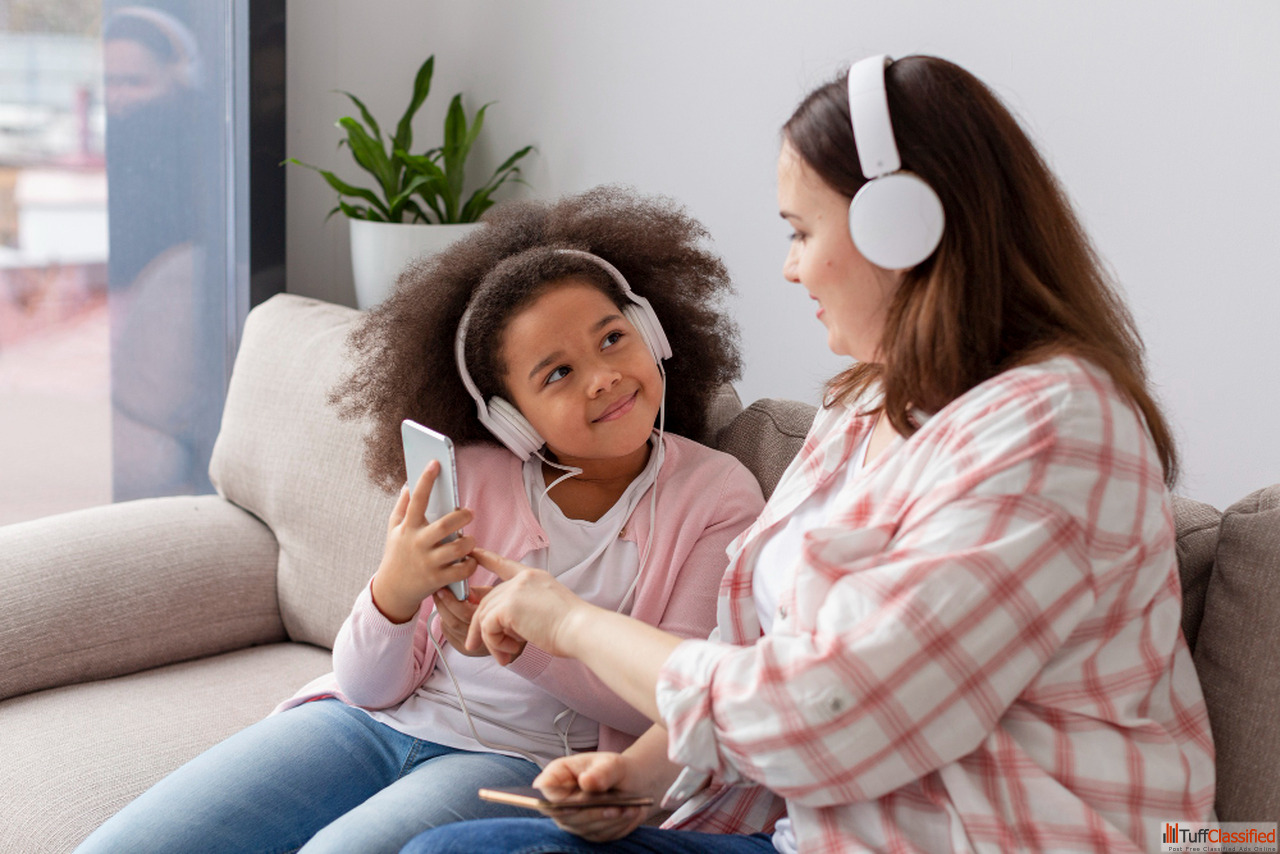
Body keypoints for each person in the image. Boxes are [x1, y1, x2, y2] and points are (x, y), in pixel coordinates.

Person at [400, 55, 1215, 854]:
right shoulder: (864, 401)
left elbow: (829, 712)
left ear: (901, 227)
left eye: (800, 231)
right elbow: (759, 658)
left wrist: (571, 623)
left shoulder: (1051, 430)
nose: (790, 268)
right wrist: (637, 782)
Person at [75, 187, 765, 853]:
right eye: (556, 373)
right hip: (365, 723)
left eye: (613, 337)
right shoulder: (467, 475)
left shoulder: (716, 496)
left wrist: (523, 646)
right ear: (510, 417)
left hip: (517, 760)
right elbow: (368, 686)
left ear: (650, 331)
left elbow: (671, 701)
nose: (602, 377)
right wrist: (393, 594)